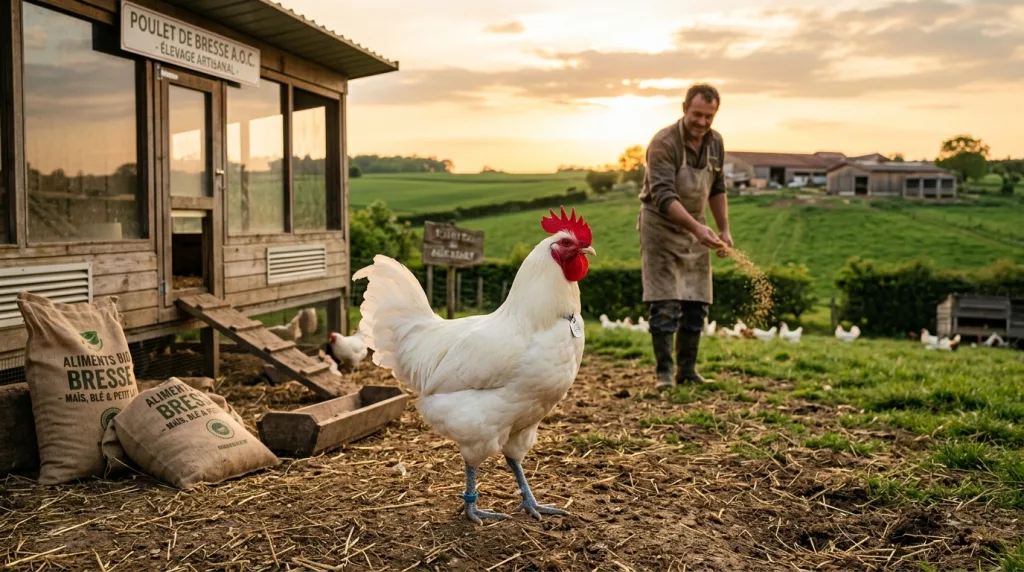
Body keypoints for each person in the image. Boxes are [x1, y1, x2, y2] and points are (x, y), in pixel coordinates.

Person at [637, 83, 732, 390]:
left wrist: (723, 229)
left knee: (697, 300)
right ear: (684, 109)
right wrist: (697, 228)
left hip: (697, 229)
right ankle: (665, 373)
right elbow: (663, 196)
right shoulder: (664, 142)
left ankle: (687, 371)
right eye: (697, 114)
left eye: (709, 116)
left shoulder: (716, 143)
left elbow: (717, 188)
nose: (702, 122)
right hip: (661, 227)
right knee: (664, 302)